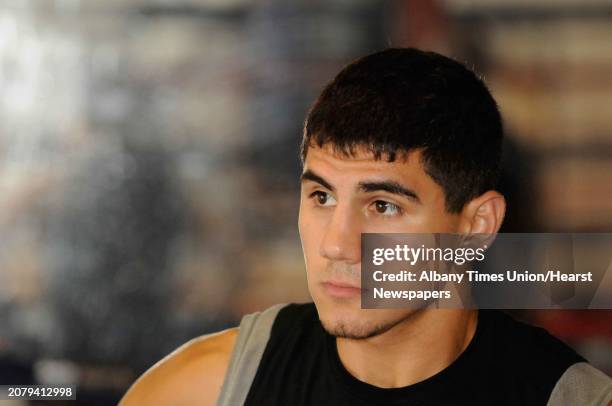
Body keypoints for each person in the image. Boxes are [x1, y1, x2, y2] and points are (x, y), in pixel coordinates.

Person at [121, 48, 612, 405]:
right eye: (321, 196)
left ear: (477, 225)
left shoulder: (569, 398)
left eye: (382, 206)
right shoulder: (208, 389)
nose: (337, 245)